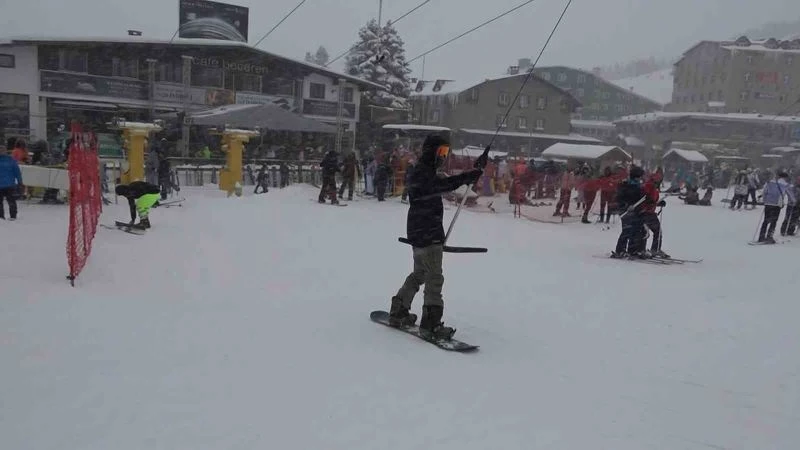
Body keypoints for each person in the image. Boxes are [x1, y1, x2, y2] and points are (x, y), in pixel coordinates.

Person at [389, 135, 482, 338]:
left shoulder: (423, 171)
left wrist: (472, 173)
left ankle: (399, 310)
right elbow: (441, 186)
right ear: (431, 151)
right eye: (441, 152)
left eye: (446, 153)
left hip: (418, 231)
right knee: (434, 277)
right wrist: (466, 177)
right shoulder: (422, 172)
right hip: (427, 232)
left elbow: (446, 182)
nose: (443, 157)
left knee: (420, 273)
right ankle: (431, 323)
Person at [612, 166, 646, 258]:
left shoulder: (639, 186)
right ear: (636, 176)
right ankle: (620, 250)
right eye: (640, 176)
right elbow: (619, 198)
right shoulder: (625, 185)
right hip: (626, 211)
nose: (641, 179)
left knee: (636, 231)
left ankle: (632, 249)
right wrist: (626, 205)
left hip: (636, 211)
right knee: (627, 230)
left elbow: (642, 199)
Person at [758, 172, 793, 244]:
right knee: (774, 221)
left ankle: (761, 237)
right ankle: (769, 237)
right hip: (776, 205)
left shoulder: (770, 183)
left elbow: (764, 192)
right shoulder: (785, 185)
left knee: (765, 220)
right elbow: (790, 194)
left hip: (768, 204)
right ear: (784, 178)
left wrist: (765, 200)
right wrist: (793, 201)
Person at [640, 171, 669, 258]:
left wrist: (659, 203)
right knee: (647, 232)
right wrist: (649, 201)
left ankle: (655, 249)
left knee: (657, 231)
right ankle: (643, 250)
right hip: (645, 212)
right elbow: (644, 197)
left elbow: (653, 200)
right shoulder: (649, 185)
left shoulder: (655, 188)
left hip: (651, 212)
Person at [0, 145, 23, 220]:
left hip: (9, 185)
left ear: (5, 151)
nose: (1, 151)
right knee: (10, 201)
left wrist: (20, 182)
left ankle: (12, 216)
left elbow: (17, 172)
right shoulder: (11, 160)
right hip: (7, 185)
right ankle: (3, 216)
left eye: (2, 150)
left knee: (11, 201)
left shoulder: (11, 160)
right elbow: (17, 172)